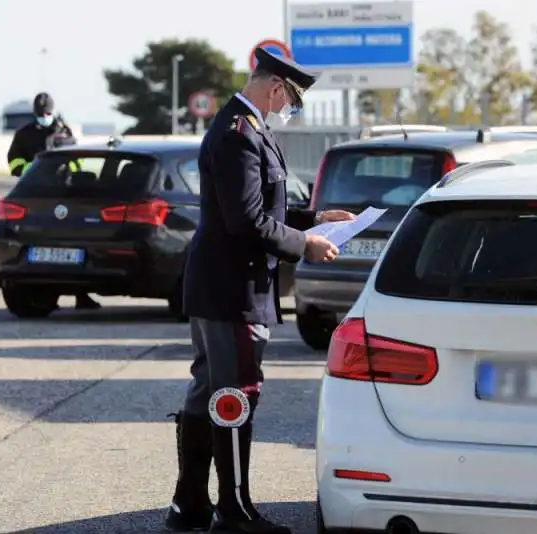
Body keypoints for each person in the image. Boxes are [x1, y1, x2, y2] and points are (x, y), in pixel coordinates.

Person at [165, 48, 355, 534]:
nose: (286, 108)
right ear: (274, 87)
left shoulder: (246, 128)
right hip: (233, 289)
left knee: (210, 389)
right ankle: (233, 511)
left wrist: (314, 220)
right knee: (234, 393)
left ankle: (189, 505)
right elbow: (246, 221)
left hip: (223, 285)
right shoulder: (237, 134)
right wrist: (305, 245)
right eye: (289, 100)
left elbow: (260, 207)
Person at [6, 92, 101, 311]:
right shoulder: (24, 135)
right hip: (37, 195)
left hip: (66, 194)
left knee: (72, 246)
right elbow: (13, 162)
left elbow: (77, 161)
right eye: (41, 114)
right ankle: (45, 296)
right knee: (44, 245)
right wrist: (29, 170)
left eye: (47, 113)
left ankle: (81, 295)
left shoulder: (64, 132)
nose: (45, 116)